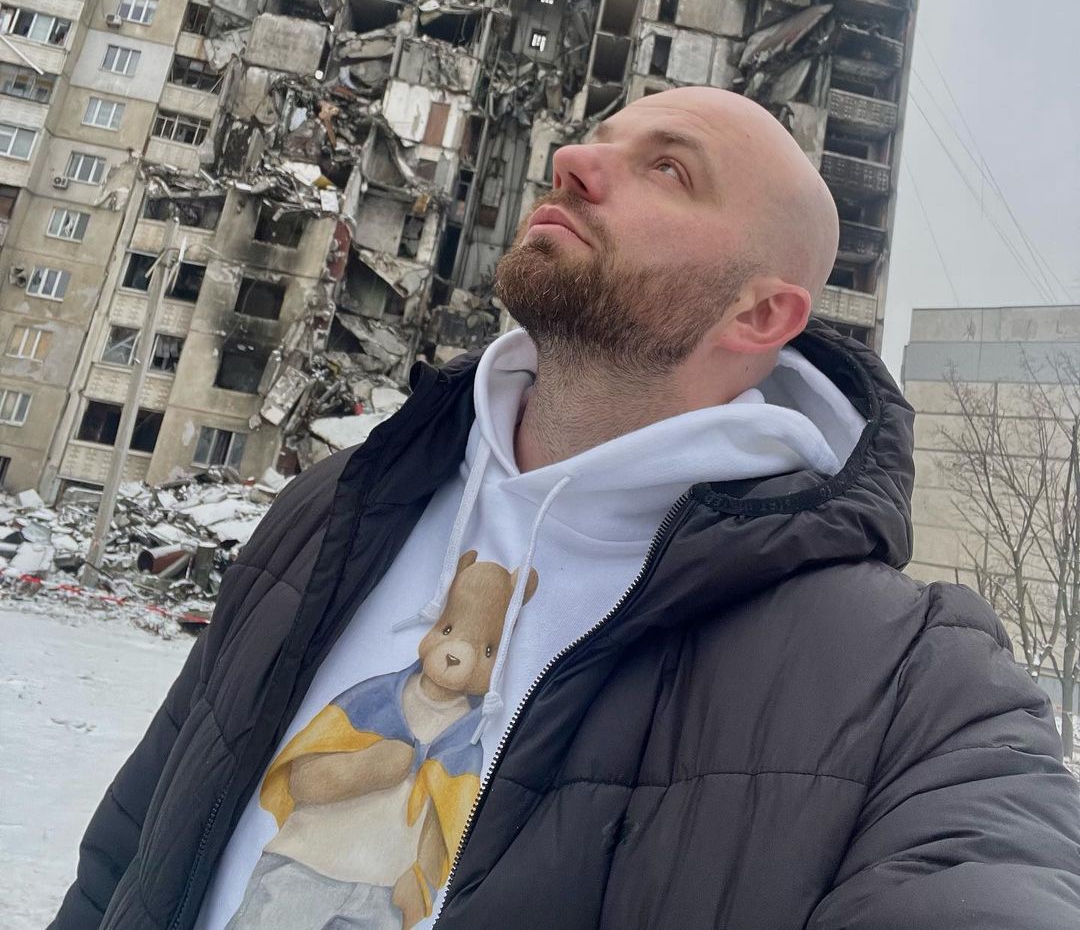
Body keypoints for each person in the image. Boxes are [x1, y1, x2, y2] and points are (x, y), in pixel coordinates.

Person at [52, 87, 1080, 930]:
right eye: (597, 140)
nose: (573, 163)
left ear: (761, 312)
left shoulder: (908, 680)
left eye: (667, 169)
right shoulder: (339, 507)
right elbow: (131, 852)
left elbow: (992, 873)